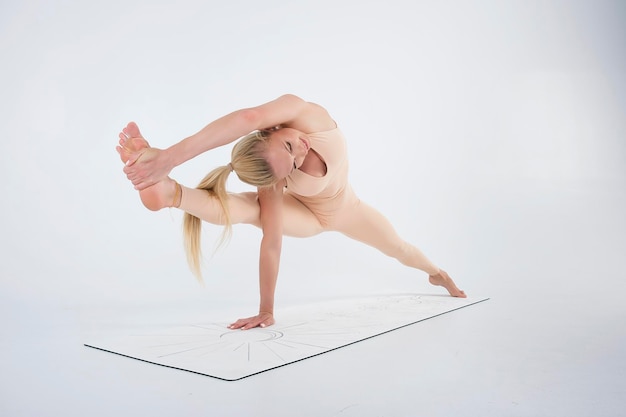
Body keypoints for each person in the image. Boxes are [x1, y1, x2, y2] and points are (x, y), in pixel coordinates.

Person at [116, 94, 466, 330]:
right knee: (253, 211)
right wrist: (266, 310)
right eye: (292, 162)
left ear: (270, 129)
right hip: (309, 218)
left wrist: (170, 158)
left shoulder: (307, 116)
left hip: (349, 211)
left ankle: (437, 273)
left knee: (400, 249)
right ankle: (171, 194)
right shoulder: (273, 180)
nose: (301, 149)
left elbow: (249, 116)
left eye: (289, 146)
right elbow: (272, 242)